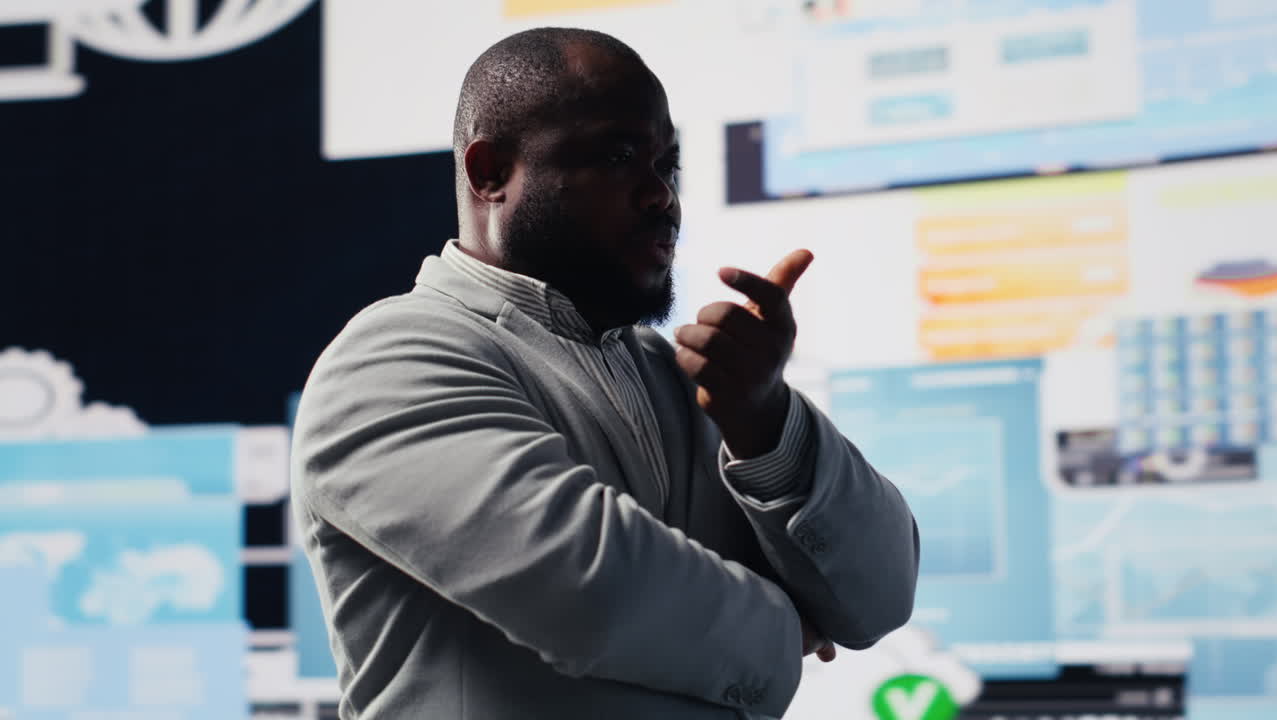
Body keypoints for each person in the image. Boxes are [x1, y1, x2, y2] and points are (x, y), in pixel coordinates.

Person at [291, 27, 919, 720]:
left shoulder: (683, 377)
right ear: (489, 172)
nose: (661, 196)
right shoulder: (390, 361)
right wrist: (788, 628)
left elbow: (879, 597)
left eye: (668, 165)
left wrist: (768, 421)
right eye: (619, 156)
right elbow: (586, 591)